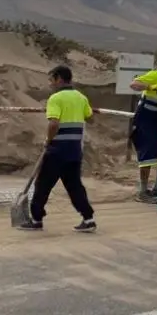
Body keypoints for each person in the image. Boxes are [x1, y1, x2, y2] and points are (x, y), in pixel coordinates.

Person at [19, 65, 97, 233]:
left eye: (51, 79)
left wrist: (48, 140)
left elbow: (53, 123)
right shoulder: (81, 97)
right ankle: (88, 218)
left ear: (59, 79)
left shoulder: (55, 98)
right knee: (75, 185)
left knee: (43, 185)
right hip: (75, 150)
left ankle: (37, 219)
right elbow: (90, 118)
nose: (50, 83)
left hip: (57, 150)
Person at [128, 65, 157, 203]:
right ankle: (143, 192)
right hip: (146, 118)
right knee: (147, 154)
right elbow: (134, 84)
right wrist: (150, 87)